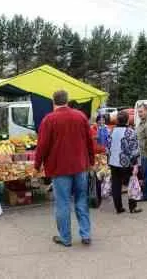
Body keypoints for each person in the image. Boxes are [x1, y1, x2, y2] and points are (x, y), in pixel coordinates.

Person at [35, 90, 95, 247]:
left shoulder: (49, 119)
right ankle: (86, 234)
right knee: (82, 200)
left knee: (63, 203)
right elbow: (90, 141)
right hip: (80, 166)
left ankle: (65, 238)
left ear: (53, 102)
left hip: (59, 168)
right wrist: (91, 161)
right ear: (67, 100)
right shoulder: (81, 116)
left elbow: (42, 145)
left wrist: (37, 164)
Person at [107, 110, 142, 213]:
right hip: (127, 163)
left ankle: (118, 207)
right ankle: (133, 207)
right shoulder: (131, 132)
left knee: (116, 184)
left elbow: (108, 147)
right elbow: (134, 150)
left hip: (113, 162)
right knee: (132, 183)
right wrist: (135, 165)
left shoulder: (112, 131)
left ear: (117, 120)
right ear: (127, 120)